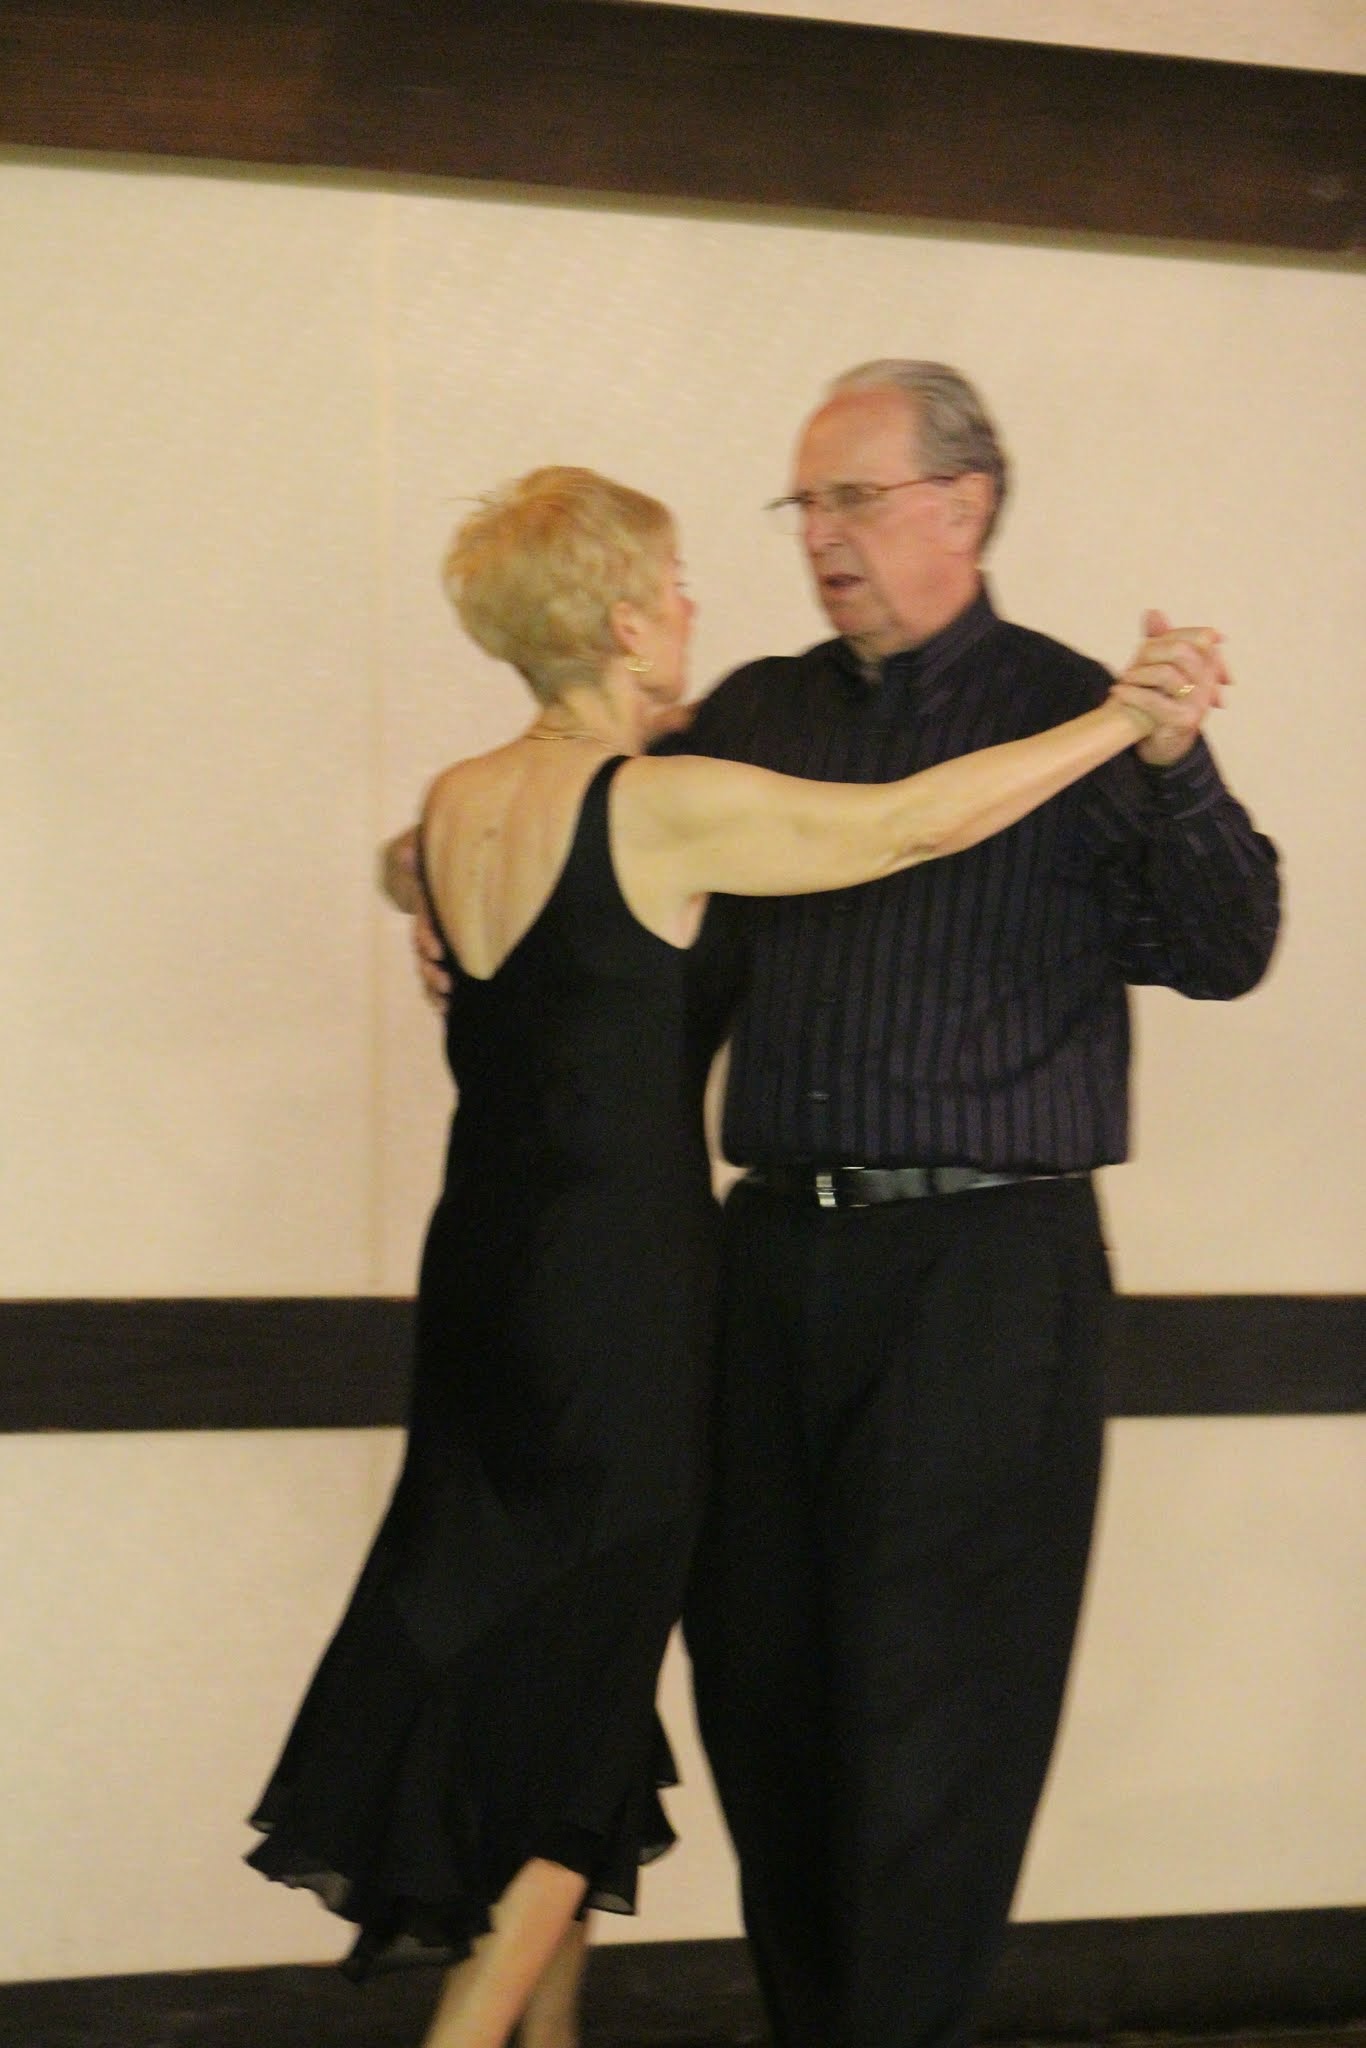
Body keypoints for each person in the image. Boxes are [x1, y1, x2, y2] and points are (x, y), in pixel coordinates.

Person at [248, 461, 1186, 2048]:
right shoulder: (658, 806)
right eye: (673, 584)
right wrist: (1120, 717)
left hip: (486, 1283)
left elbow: (413, 876)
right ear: (624, 620)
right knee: (588, 1682)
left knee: (543, 1648)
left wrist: (421, 898)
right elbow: (910, 822)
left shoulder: (464, 800)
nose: (694, 605)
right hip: (618, 1303)